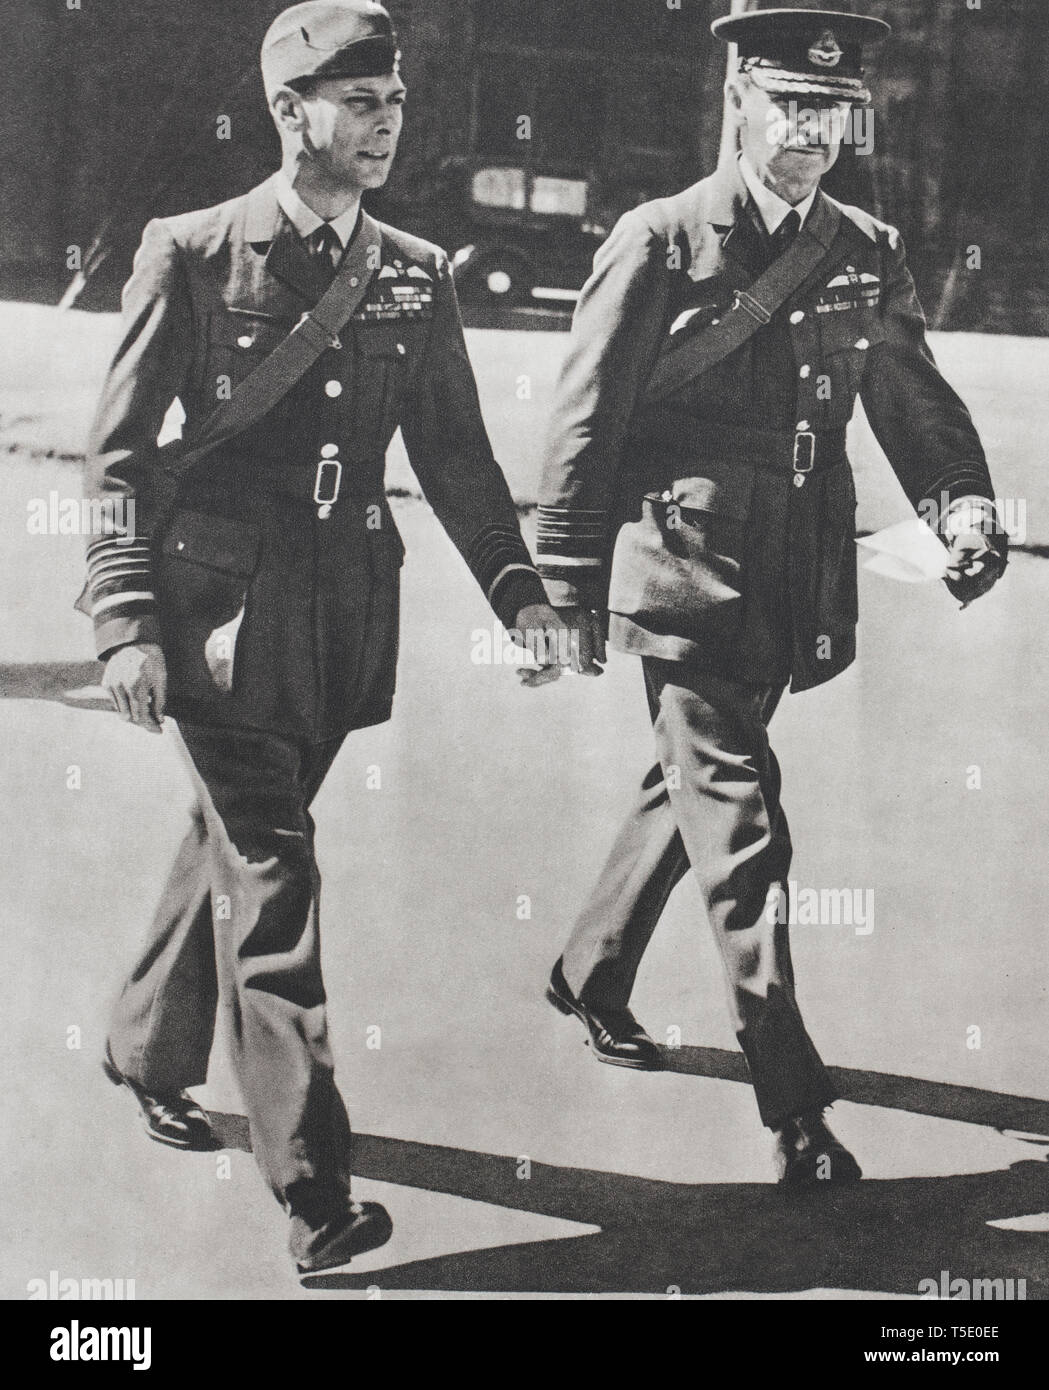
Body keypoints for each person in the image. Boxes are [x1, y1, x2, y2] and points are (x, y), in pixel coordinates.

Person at [81, 0, 564, 1273]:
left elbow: (454, 454)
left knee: (234, 852)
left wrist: (519, 590)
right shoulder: (190, 250)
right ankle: (312, 1192)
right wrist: (127, 621)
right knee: (277, 881)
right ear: (290, 112)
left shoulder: (413, 267)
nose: (385, 122)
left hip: (345, 613)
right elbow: (122, 455)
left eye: (394, 101)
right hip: (219, 618)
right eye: (359, 102)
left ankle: (142, 1044)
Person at [534, 6, 1007, 1185]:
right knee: (742, 827)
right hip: (682, 569)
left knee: (685, 787)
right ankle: (792, 1102)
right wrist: (564, 585)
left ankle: (589, 970)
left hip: (796, 575)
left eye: (830, 113)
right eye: (788, 106)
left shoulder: (863, 245)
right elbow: (583, 426)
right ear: (737, 98)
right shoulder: (659, 241)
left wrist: (961, 500)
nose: (810, 134)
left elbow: (911, 398)